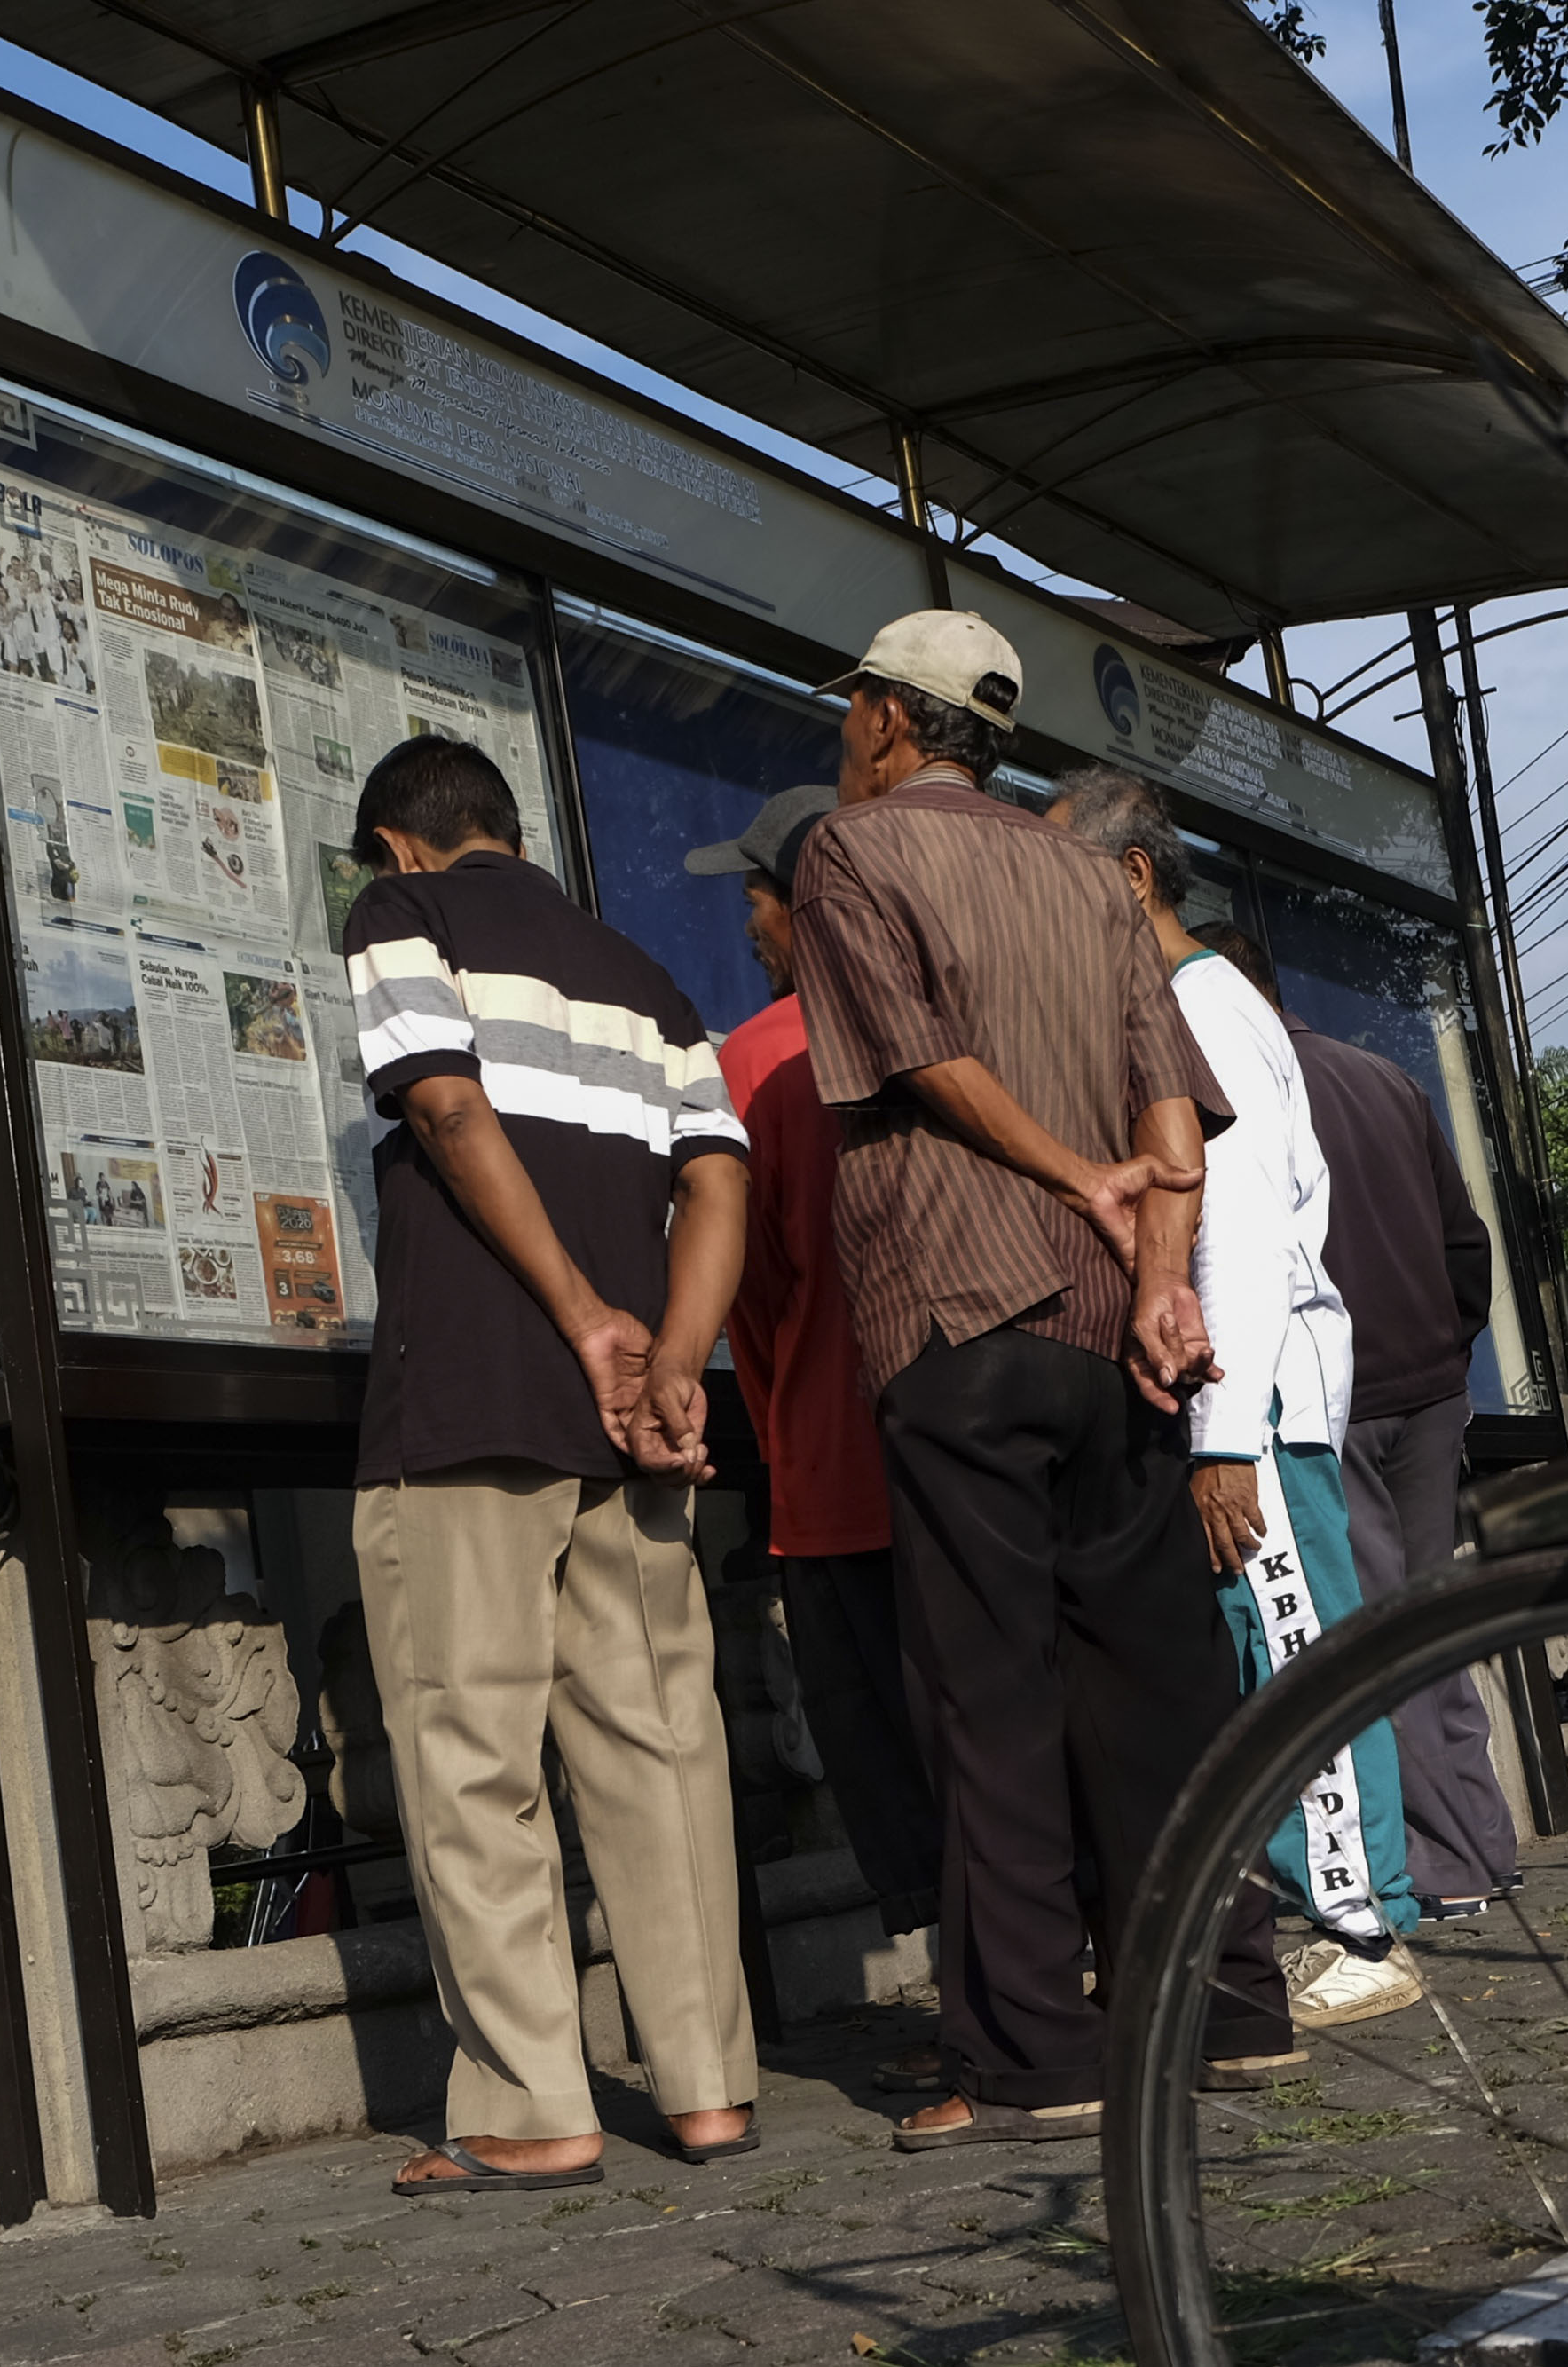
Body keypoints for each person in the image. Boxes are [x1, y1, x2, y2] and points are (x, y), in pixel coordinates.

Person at [788, 611, 1293, 2150]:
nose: (847, 733)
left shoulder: (849, 850)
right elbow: (1175, 1117)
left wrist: (1071, 1175)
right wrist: (1157, 1280)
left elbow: (916, 1055)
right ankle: (1226, 2008)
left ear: (890, 719)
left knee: (987, 1693)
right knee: (1157, 1685)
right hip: (1108, 1332)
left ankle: (1032, 2055)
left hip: (957, 1308)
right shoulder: (1086, 874)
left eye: (855, 709)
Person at [340, 735, 760, 2195]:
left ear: (398, 841)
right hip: (630, 1430)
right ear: (509, 829)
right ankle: (706, 2089)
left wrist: (584, 1320)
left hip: (469, 1399)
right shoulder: (649, 982)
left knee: (474, 1754)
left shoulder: (401, 914)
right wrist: (671, 1359)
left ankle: (534, 2106)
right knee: (660, 1752)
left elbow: (444, 1105)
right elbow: (718, 1179)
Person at [1050, 772, 1424, 2037]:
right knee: (1271, 1647)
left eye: (1065, 874)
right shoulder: (1188, 1005)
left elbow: (1245, 1237)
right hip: (1239, 1394)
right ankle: (1337, 1913)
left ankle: (1362, 1927)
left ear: (1134, 875)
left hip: (1252, 1397)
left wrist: (1223, 1441)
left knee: (1294, 1648)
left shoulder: (1204, 1007)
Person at [1196, 920, 1520, 1917]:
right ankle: (1482, 1842)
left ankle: (1444, 1865)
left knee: (1371, 1633)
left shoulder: (1242, 1088)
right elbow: (1466, 1245)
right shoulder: (1386, 1079)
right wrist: (1447, 1352)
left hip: (1332, 1400)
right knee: (1424, 1623)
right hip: (1428, 1390)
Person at [686, 785, 945, 1948]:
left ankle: (977, 1996)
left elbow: (751, 1288)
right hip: (974, 1454)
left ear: (804, 903)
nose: (749, 918)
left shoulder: (755, 1058)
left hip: (836, 1469)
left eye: (758, 893)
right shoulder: (949, 1026)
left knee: (889, 1750)